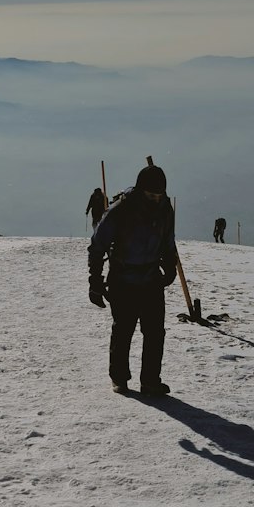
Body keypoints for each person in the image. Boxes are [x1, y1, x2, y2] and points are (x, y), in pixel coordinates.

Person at [88, 163, 177, 396]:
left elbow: (168, 241)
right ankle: (119, 378)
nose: (155, 199)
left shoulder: (165, 209)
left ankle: (150, 381)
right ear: (140, 191)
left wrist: (170, 265)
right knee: (123, 330)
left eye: (159, 195)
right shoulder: (121, 210)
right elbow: (97, 246)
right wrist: (95, 282)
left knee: (155, 332)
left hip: (150, 278)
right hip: (123, 278)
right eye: (150, 195)